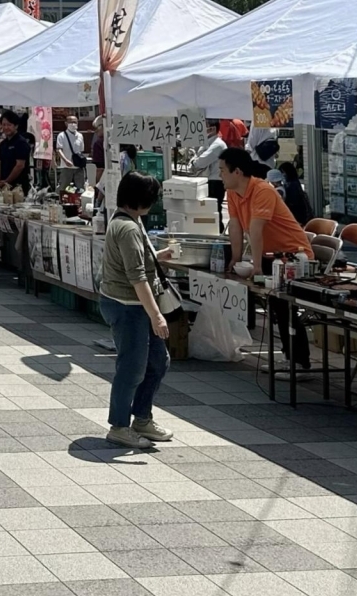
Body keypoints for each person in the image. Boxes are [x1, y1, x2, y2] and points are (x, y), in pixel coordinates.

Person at [99, 171, 176, 450]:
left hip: (134, 303)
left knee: (158, 361)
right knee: (131, 367)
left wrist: (158, 255)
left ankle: (141, 417)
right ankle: (119, 426)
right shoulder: (128, 227)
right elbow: (137, 277)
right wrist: (156, 315)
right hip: (127, 305)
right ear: (142, 200)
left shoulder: (131, 221)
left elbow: (138, 263)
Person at [221, 147, 315, 370]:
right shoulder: (233, 192)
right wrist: (235, 258)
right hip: (268, 255)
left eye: (222, 170)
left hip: (292, 255)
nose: (220, 175)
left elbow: (256, 229)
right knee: (276, 306)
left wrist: (256, 266)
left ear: (237, 172)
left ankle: (300, 361)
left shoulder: (263, 190)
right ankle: (288, 354)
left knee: (284, 305)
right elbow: (234, 225)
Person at [190, 122, 229, 233]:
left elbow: (200, 162)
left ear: (212, 128)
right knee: (209, 210)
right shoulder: (208, 142)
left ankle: (218, 233)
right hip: (210, 180)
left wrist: (194, 162)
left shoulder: (217, 145)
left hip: (215, 182)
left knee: (214, 211)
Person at [0, 109, 32, 193]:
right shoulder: (3, 144)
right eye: (4, 124)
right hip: (4, 187)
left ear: (16, 126)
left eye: (9, 125)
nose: (6, 127)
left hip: (18, 188)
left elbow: (20, 165)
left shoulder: (21, 142)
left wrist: (7, 181)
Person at [276, 162, 314, 227]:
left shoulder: (292, 186)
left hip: (298, 217)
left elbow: (293, 203)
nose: (282, 175)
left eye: (283, 173)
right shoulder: (292, 183)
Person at [56, 119, 87, 192]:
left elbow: (81, 150)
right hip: (66, 167)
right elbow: (59, 149)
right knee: (63, 187)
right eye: (71, 122)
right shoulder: (61, 135)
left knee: (81, 188)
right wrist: (65, 160)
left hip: (78, 167)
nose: (73, 124)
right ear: (66, 123)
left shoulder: (80, 135)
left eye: (75, 122)